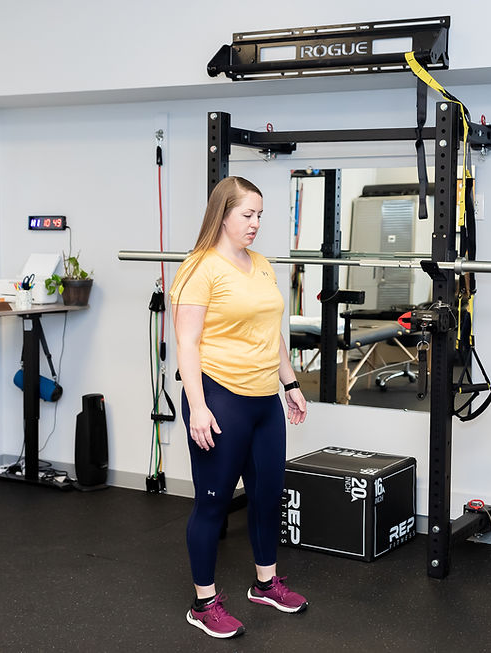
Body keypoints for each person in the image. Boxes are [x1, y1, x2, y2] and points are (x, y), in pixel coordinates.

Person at [170, 176, 309, 639]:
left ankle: (265, 584)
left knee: (267, 497)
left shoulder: (262, 264)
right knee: (212, 503)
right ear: (222, 214)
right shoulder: (199, 268)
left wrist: (290, 383)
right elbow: (187, 344)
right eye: (247, 214)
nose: (255, 223)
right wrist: (197, 407)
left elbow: (273, 333)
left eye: (259, 216)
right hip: (220, 397)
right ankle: (203, 603)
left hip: (264, 401)